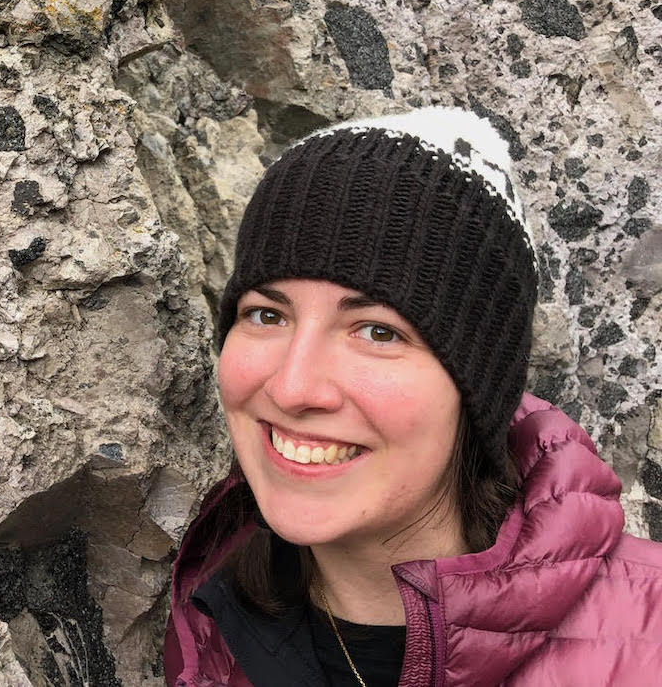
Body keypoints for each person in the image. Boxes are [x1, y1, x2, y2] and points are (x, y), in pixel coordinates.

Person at [163, 107, 662, 686]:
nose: (293, 387)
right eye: (266, 314)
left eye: (379, 331)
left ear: (478, 388)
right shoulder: (210, 626)